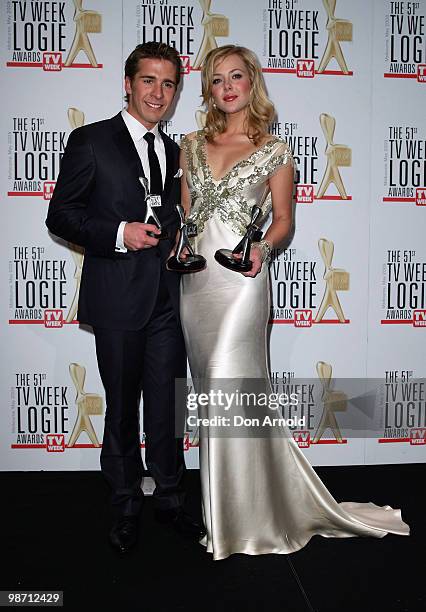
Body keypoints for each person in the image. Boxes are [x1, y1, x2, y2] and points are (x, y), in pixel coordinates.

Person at [179, 45, 409, 561]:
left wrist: (261, 248)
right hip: (196, 287)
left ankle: (239, 521)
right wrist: (178, 244)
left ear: (252, 82)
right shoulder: (191, 145)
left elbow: (283, 220)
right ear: (209, 90)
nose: (228, 87)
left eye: (237, 76)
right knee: (213, 398)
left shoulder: (274, 150)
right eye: (217, 80)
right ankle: (230, 509)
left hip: (241, 283)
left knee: (227, 381)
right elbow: (190, 219)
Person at [46, 42, 204, 554]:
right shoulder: (91, 141)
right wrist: (119, 233)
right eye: (149, 81)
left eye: (168, 84)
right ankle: (126, 503)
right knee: (121, 407)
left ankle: (171, 499)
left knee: (167, 406)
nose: (158, 93)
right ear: (129, 84)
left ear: (176, 92)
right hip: (117, 296)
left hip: (168, 298)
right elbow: (61, 215)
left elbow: (180, 214)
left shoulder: (179, 151)